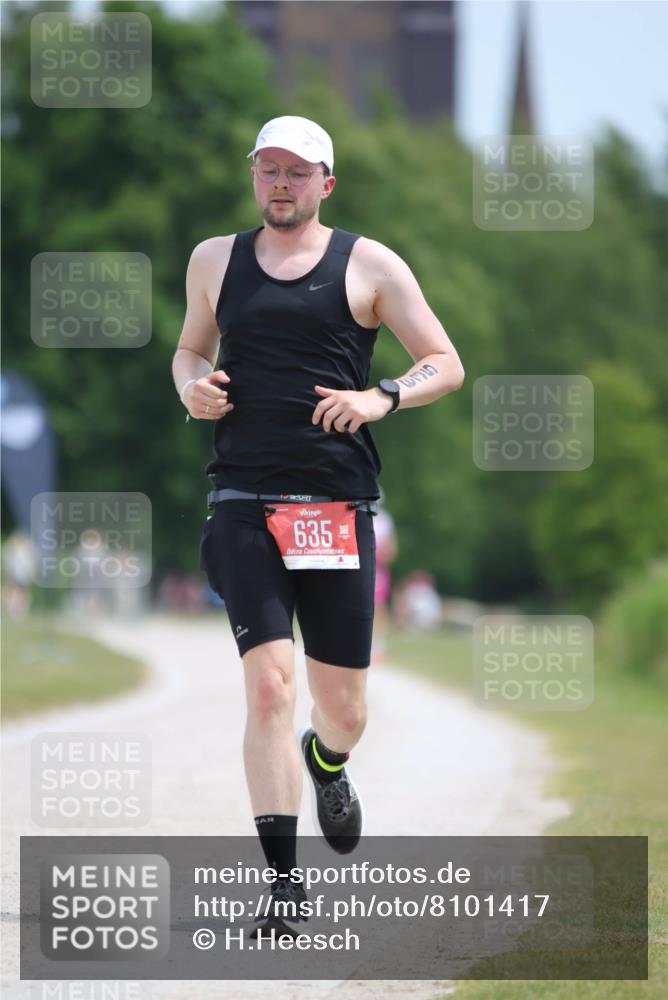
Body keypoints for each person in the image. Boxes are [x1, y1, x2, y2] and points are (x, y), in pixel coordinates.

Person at [172, 115, 464, 932]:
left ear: (325, 183)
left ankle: (327, 760)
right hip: (241, 499)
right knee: (270, 685)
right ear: (253, 175)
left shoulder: (370, 265)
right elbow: (190, 351)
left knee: (344, 709)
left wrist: (381, 397)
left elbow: (445, 361)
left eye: (297, 172)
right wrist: (190, 385)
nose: (281, 183)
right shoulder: (213, 260)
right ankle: (283, 886)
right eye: (268, 168)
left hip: (334, 506)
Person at [371, 486, 398, 665]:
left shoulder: (385, 520)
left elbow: (392, 548)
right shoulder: (362, 514)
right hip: (362, 565)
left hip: (378, 569)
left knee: (379, 607)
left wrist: (383, 555)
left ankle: (379, 648)